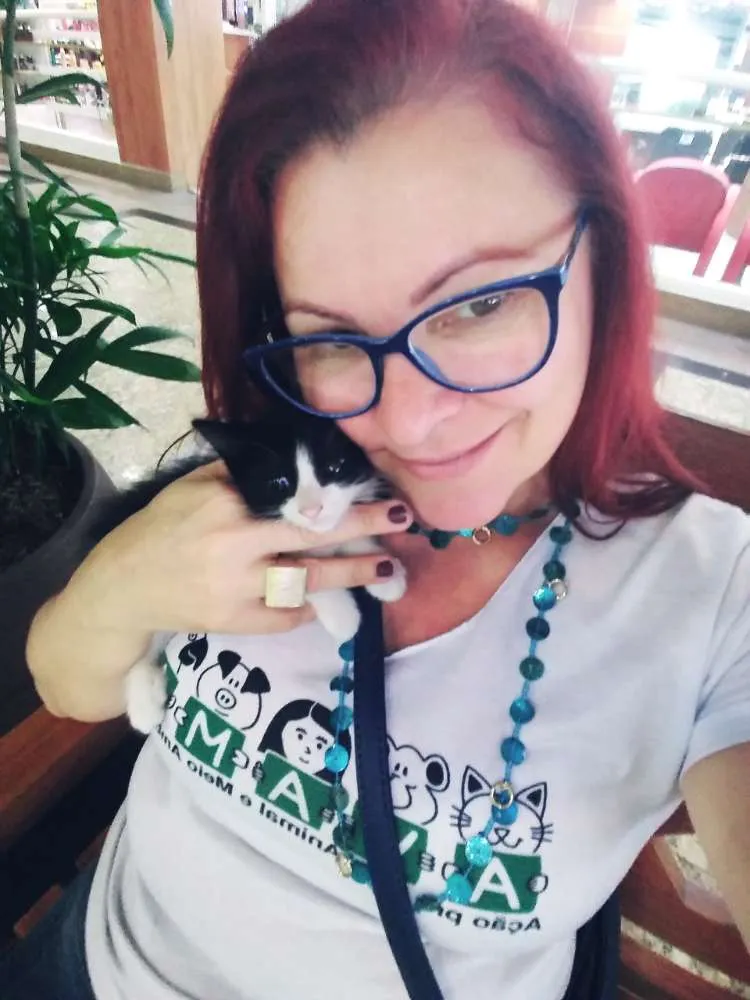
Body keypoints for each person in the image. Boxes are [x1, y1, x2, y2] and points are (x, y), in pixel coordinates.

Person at [6, 0, 750, 997]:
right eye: (331, 337)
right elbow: (67, 682)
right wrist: (125, 579)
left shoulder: (714, 592)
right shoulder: (267, 470)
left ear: (608, 256)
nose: (410, 419)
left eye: (481, 303)